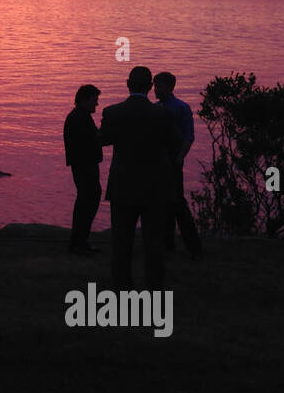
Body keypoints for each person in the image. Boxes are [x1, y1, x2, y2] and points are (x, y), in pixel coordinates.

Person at [99, 66, 178, 290]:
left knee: (121, 241)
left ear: (127, 83)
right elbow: (174, 144)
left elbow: (103, 140)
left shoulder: (112, 112)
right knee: (154, 242)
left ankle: (122, 287)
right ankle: (154, 288)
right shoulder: (164, 114)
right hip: (155, 188)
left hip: (123, 186)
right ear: (150, 86)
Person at [153, 71, 203, 260]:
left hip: (173, 160)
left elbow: (189, 136)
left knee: (177, 202)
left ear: (170, 87)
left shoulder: (181, 108)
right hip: (159, 160)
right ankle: (167, 244)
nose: (156, 90)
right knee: (163, 203)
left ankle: (194, 247)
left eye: (160, 86)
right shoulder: (155, 108)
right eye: (155, 85)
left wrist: (181, 156)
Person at [63, 84, 102, 254]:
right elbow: (92, 139)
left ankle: (79, 241)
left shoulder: (79, 116)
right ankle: (79, 242)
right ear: (84, 100)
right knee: (88, 201)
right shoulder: (80, 117)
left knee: (86, 201)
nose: (97, 104)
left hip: (83, 164)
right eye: (95, 100)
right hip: (85, 165)